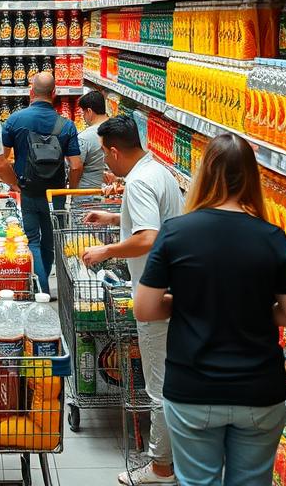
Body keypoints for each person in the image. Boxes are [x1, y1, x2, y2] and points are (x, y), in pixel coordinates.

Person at [135, 133, 286, 486]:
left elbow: (145, 308)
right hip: (258, 390)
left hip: (193, 387)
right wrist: (255, 307)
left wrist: (188, 302)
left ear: (204, 173)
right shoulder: (271, 236)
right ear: (251, 176)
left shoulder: (176, 233)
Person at [82, 114, 184, 485]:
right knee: (172, 378)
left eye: (105, 156)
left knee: (158, 386)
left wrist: (106, 251)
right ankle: (170, 458)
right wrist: (113, 217)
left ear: (113, 150)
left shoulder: (139, 182)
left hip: (157, 296)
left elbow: (148, 237)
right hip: (176, 288)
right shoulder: (157, 171)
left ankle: (159, 469)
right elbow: (155, 222)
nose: (105, 163)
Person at [1, 71, 82, 293]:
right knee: (50, 241)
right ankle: (45, 284)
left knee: (31, 240)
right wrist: (69, 192)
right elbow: (76, 165)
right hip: (54, 194)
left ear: (31, 92)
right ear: (54, 93)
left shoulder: (15, 120)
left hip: (27, 190)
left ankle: (40, 288)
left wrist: (13, 182)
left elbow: (1, 160)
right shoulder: (66, 125)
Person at [76, 89, 108, 189]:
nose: (83, 117)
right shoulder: (117, 128)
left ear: (89, 111)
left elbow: (76, 167)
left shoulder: (84, 137)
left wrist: (72, 189)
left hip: (87, 192)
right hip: (111, 191)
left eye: (83, 113)